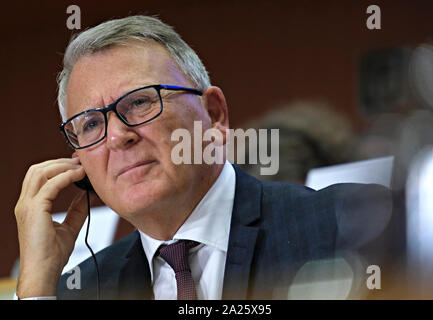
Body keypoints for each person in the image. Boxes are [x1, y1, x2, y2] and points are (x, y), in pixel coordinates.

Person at [14, 15, 391, 300]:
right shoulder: (77, 291)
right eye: (91, 124)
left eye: (141, 101)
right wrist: (36, 285)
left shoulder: (351, 222)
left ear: (214, 115)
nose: (116, 136)